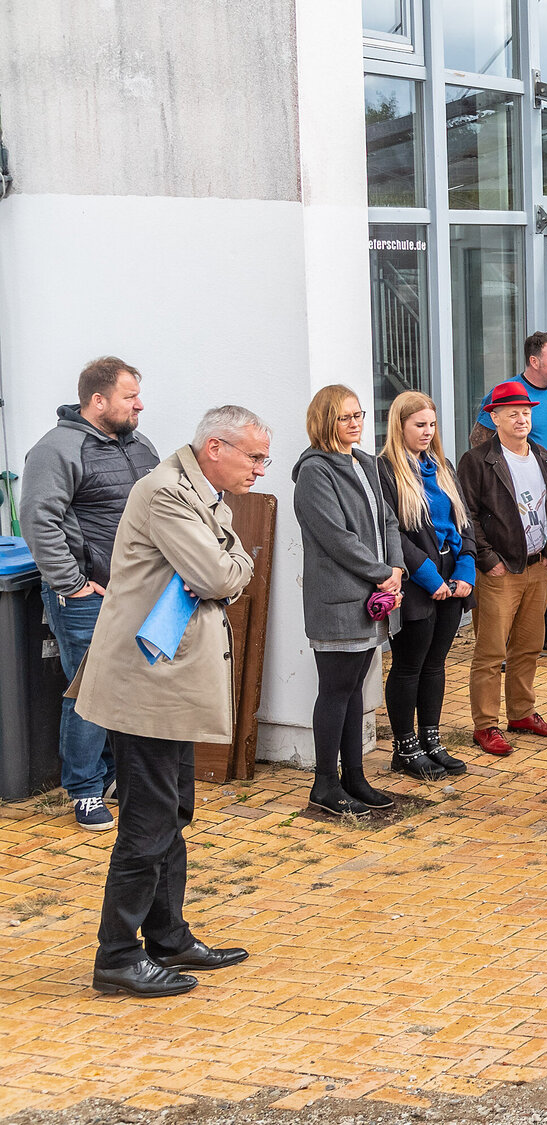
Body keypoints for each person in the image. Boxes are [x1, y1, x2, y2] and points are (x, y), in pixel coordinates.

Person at [76, 405, 264, 998]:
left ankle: (168, 936)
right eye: (253, 456)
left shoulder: (201, 493)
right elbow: (219, 577)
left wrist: (230, 562)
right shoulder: (166, 494)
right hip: (145, 685)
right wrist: (235, 562)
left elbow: (225, 565)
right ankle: (116, 955)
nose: (261, 467)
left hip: (166, 682)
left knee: (173, 811)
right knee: (147, 819)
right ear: (215, 446)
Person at [22, 356, 158, 831]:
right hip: (87, 594)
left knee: (129, 685)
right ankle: (84, 790)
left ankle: (118, 776)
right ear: (97, 401)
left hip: (136, 590)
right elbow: (39, 521)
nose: (140, 404)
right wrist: (72, 584)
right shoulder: (57, 449)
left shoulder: (139, 445)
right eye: (129, 396)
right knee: (89, 688)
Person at [294, 385, 404, 815]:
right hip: (339, 600)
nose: (356, 423)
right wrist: (383, 574)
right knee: (335, 690)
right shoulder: (314, 472)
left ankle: (354, 776)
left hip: (374, 595)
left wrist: (395, 570)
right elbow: (336, 539)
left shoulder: (366, 463)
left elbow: (389, 520)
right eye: (345, 417)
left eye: (359, 415)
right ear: (325, 422)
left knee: (357, 687)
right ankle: (324, 783)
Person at [459, 381, 547, 757]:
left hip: (539, 565)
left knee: (528, 646)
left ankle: (521, 713)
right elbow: (468, 515)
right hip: (500, 571)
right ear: (494, 417)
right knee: (491, 652)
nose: (522, 419)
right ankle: (485, 724)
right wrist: (487, 559)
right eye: (513, 413)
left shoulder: (541, 455)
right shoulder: (477, 460)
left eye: (526, 412)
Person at [377, 391, 474, 782]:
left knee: (436, 664)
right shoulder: (384, 470)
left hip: (454, 578)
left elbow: (464, 522)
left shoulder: (443, 465)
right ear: (399, 425)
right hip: (415, 579)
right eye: (419, 425)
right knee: (409, 664)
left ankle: (431, 740)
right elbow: (394, 535)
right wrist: (430, 578)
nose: (427, 432)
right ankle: (405, 747)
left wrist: (466, 570)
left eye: (432, 425)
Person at [476, 332, 547, 664]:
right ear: (534, 361)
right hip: (514, 502)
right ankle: (505, 641)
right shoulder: (506, 394)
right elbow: (481, 442)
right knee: (513, 568)